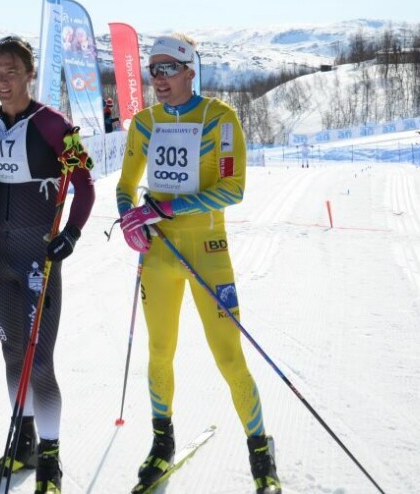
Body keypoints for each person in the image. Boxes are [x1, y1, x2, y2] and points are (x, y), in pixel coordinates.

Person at [115, 34, 281, 494]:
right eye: (153, 69)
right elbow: (126, 186)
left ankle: (260, 455)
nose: (159, 78)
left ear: (191, 70)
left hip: (207, 252)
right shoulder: (144, 123)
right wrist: (130, 219)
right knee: (160, 352)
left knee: (228, 355)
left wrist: (166, 209)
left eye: (169, 68)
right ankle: (161, 443)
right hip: (159, 256)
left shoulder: (220, 119)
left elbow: (233, 190)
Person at [0, 35, 95, 494]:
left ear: (29, 73)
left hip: (38, 256)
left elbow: (86, 185)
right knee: (11, 354)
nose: (2, 81)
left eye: (11, 71)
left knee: (39, 364)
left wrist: (71, 234)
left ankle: (51, 462)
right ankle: (22, 445)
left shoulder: (55, 125)